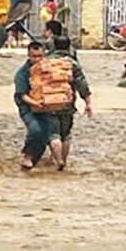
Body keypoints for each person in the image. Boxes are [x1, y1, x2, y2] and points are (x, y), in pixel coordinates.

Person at [41, 24, 95, 169]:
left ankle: (57, 160)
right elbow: (82, 84)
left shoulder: (45, 62)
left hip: (49, 101)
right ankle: (64, 160)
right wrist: (88, 103)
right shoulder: (72, 64)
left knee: (53, 134)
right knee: (65, 134)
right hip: (67, 101)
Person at [13, 38, 54, 170]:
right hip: (27, 106)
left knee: (46, 133)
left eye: (40, 56)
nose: (38, 59)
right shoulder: (22, 73)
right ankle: (28, 155)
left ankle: (35, 158)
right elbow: (22, 94)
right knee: (35, 129)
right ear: (29, 55)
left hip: (45, 106)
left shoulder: (48, 70)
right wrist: (35, 103)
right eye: (34, 56)